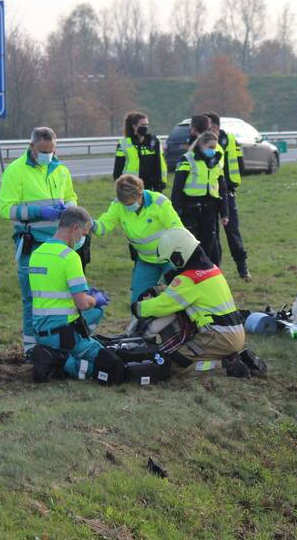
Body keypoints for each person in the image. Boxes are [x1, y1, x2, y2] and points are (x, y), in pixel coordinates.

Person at [0, 127, 78, 355]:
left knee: (61, 295)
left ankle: (59, 342)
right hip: (32, 243)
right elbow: (6, 209)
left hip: (59, 244)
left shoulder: (60, 169)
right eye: (43, 151)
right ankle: (31, 348)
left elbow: (72, 196)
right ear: (32, 146)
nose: (48, 155)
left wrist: (69, 208)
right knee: (32, 297)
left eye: (52, 151)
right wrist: (39, 211)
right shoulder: (16, 171)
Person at [135, 228, 245, 367]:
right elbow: (182, 292)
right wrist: (156, 290)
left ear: (180, 252)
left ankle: (225, 366)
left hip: (218, 337)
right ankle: (232, 358)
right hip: (233, 333)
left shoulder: (190, 279)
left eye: (172, 258)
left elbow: (163, 305)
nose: (173, 264)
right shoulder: (211, 269)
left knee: (175, 364)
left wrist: (138, 308)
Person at [27, 206, 110, 379]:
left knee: (95, 313)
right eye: (84, 234)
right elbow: (82, 304)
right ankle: (63, 362)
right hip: (63, 334)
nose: (83, 239)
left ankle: (55, 356)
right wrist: (96, 299)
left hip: (41, 331)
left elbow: (55, 291)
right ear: (75, 229)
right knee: (107, 363)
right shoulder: (70, 257)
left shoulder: (37, 253)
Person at [93, 174, 184, 306]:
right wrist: (90, 224)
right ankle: (141, 325)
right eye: (125, 204)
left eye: (130, 203)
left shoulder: (159, 202)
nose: (127, 207)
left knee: (176, 298)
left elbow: (179, 231)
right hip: (146, 261)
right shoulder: (118, 204)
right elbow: (104, 226)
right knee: (138, 301)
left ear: (140, 193)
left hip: (170, 259)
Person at [172, 121, 228, 266]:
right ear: (201, 145)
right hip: (190, 207)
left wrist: (224, 213)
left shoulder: (217, 163)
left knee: (208, 242)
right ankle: (189, 270)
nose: (213, 150)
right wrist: (176, 210)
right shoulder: (187, 160)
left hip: (210, 208)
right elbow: (177, 188)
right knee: (190, 242)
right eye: (210, 147)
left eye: (215, 148)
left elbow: (222, 190)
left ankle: (206, 271)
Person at [205, 112, 250, 280]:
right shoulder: (202, 143)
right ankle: (215, 271)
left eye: (208, 126)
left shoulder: (229, 140)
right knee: (212, 234)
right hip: (208, 195)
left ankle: (242, 268)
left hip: (227, 193)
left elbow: (240, 164)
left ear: (215, 127)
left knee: (232, 232)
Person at [113, 112, 167, 193]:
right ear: (134, 126)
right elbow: (118, 169)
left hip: (151, 186)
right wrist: (121, 187)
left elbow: (160, 164)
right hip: (131, 186)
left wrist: (160, 184)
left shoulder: (155, 142)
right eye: (142, 125)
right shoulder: (123, 144)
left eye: (147, 125)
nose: (145, 127)